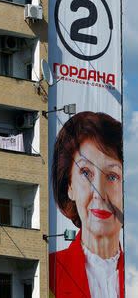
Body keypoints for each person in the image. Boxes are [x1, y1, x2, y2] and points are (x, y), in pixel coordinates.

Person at [49, 111, 124, 298]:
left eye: (113, 176)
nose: (99, 193)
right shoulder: (49, 272)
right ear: (69, 186)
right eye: (86, 173)